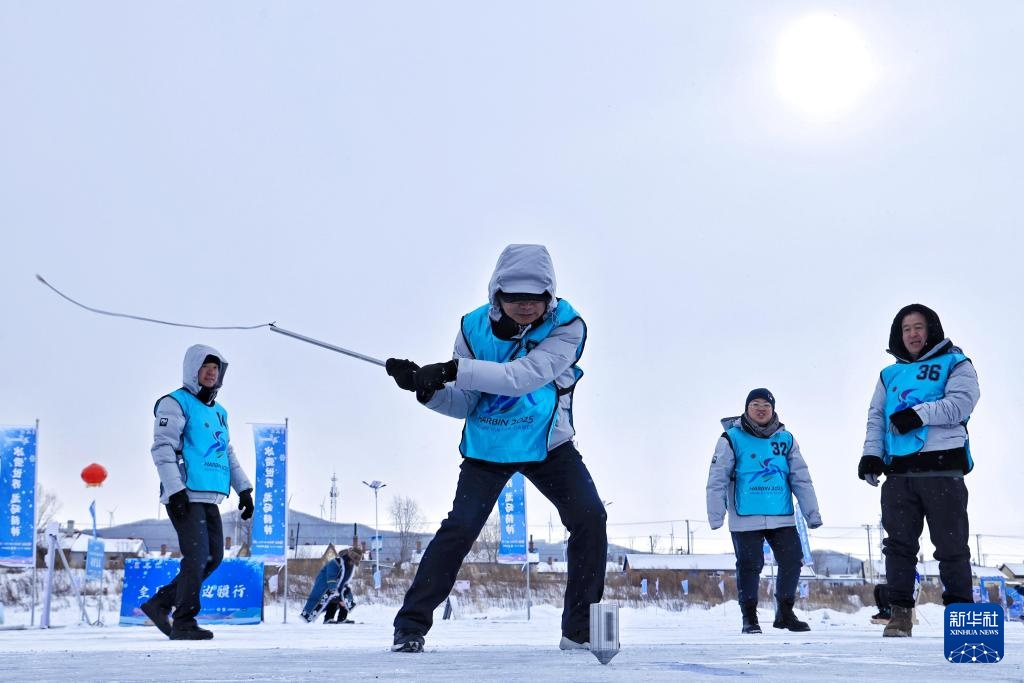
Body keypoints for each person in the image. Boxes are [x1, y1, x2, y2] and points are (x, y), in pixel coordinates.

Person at [384, 244, 607, 653]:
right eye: (515, 297)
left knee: (590, 517)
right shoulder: (472, 328)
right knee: (460, 528)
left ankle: (580, 631)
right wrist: (427, 390)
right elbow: (467, 402)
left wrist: (453, 370)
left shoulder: (568, 326)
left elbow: (524, 376)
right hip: (489, 443)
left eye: (535, 298)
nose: (525, 306)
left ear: (550, 297)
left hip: (548, 443)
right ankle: (410, 625)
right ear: (496, 295)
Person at [858, 304, 979, 637]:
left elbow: (962, 403)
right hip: (899, 474)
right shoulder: (889, 374)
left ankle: (962, 619)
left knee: (952, 547)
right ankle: (899, 615)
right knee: (898, 546)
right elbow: (876, 417)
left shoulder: (956, 363)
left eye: (918, 327)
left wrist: (918, 414)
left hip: (943, 471)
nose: (912, 334)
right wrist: (871, 455)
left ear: (932, 329)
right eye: (906, 329)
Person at [141, 345, 254, 640]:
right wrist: (175, 489)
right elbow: (163, 447)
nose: (211, 373)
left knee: (213, 558)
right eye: (205, 367)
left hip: (210, 494)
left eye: (215, 369)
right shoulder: (174, 403)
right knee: (197, 556)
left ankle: (160, 603)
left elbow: (226, 452)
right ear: (193, 370)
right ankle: (184, 621)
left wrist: (244, 490)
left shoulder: (219, 412)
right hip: (185, 493)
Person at [706, 388, 823, 635]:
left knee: (792, 560)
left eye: (766, 405)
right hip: (744, 514)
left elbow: (801, 478)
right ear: (747, 409)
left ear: (773, 409)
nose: (761, 409)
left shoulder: (786, 439)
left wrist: (812, 513)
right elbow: (717, 478)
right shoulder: (731, 438)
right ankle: (749, 617)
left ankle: (785, 612)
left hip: (781, 513)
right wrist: (716, 514)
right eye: (755, 404)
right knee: (750, 564)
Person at [301, 546, 364, 624]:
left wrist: (345, 590)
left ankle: (342, 618)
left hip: (339, 586)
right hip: (326, 585)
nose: (352, 563)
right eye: (352, 560)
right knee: (333, 597)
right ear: (349, 557)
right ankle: (328, 618)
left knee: (345, 597)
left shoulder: (351, 567)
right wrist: (334, 590)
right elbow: (331, 577)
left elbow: (345, 580)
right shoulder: (335, 563)